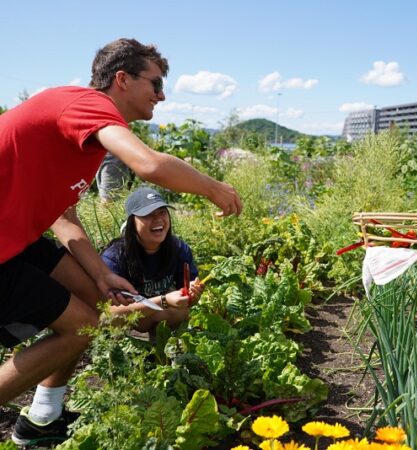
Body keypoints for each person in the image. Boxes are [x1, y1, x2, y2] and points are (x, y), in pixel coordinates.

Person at [0, 38, 242, 446]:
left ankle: (42, 418)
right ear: (122, 79)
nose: (162, 95)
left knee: (98, 305)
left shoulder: (88, 137)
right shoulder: (88, 105)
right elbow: (148, 164)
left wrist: (101, 276)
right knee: (85, 328)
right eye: (156, 83)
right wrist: (214, 188)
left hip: (17, 241)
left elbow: (63, 217)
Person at [102, 187, 204, 333]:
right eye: (148, 215)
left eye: (162, 212)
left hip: (164, 321)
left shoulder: (179, 249)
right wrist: (163, 301)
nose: (157, 219)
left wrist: (193, 295)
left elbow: (188, 303)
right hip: (130, 326)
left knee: (178, 311)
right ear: (132, 223)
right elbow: (109, 314)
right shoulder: (114, 257)